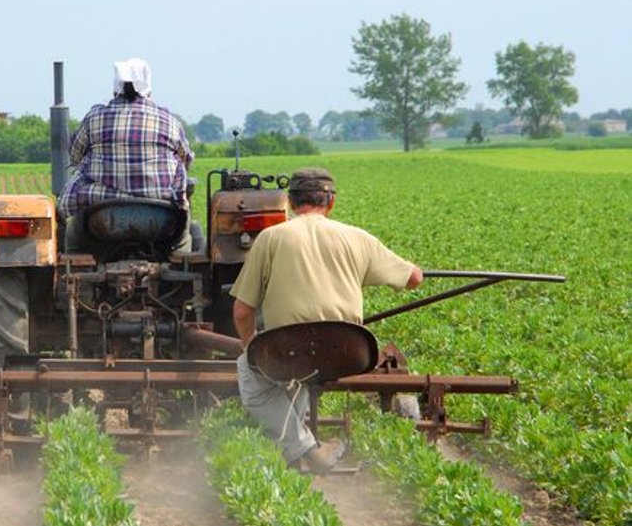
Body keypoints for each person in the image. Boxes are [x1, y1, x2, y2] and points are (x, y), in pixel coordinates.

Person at [229, 167, 423, 473]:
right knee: (301, 369)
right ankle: (303, 447)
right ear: (330, 202)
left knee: (253, 374)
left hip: (289, 351)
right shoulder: (357, 238)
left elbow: (242, 311)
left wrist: (249, 346)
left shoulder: (270, 238)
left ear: (290, 202)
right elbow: (413, 278)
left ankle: (304, 448)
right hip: (350, 352)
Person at [58, 58, 193, 251]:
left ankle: (73, 268)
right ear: (148, 88)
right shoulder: (169, 120)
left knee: (72, 231)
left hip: (101, 212)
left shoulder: (95, 117)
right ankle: (181, 261)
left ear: (115, 88)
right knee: (184, 237)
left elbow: (75, 156)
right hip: (161, 212)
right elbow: (186, 159)